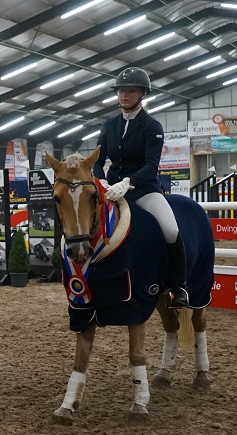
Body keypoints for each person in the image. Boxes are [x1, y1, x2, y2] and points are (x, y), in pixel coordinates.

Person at [92, 66, 188, 308]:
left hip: (143, 189)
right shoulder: (109, 125)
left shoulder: (151, 126)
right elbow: (97, 160)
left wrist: (128, 183)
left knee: (170, 229)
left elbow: (151, 164)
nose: (124, 95)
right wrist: (101, 181)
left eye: (130, 91)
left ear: (142, 94)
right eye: (121, 91)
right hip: (111, 189)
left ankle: (180, 287)